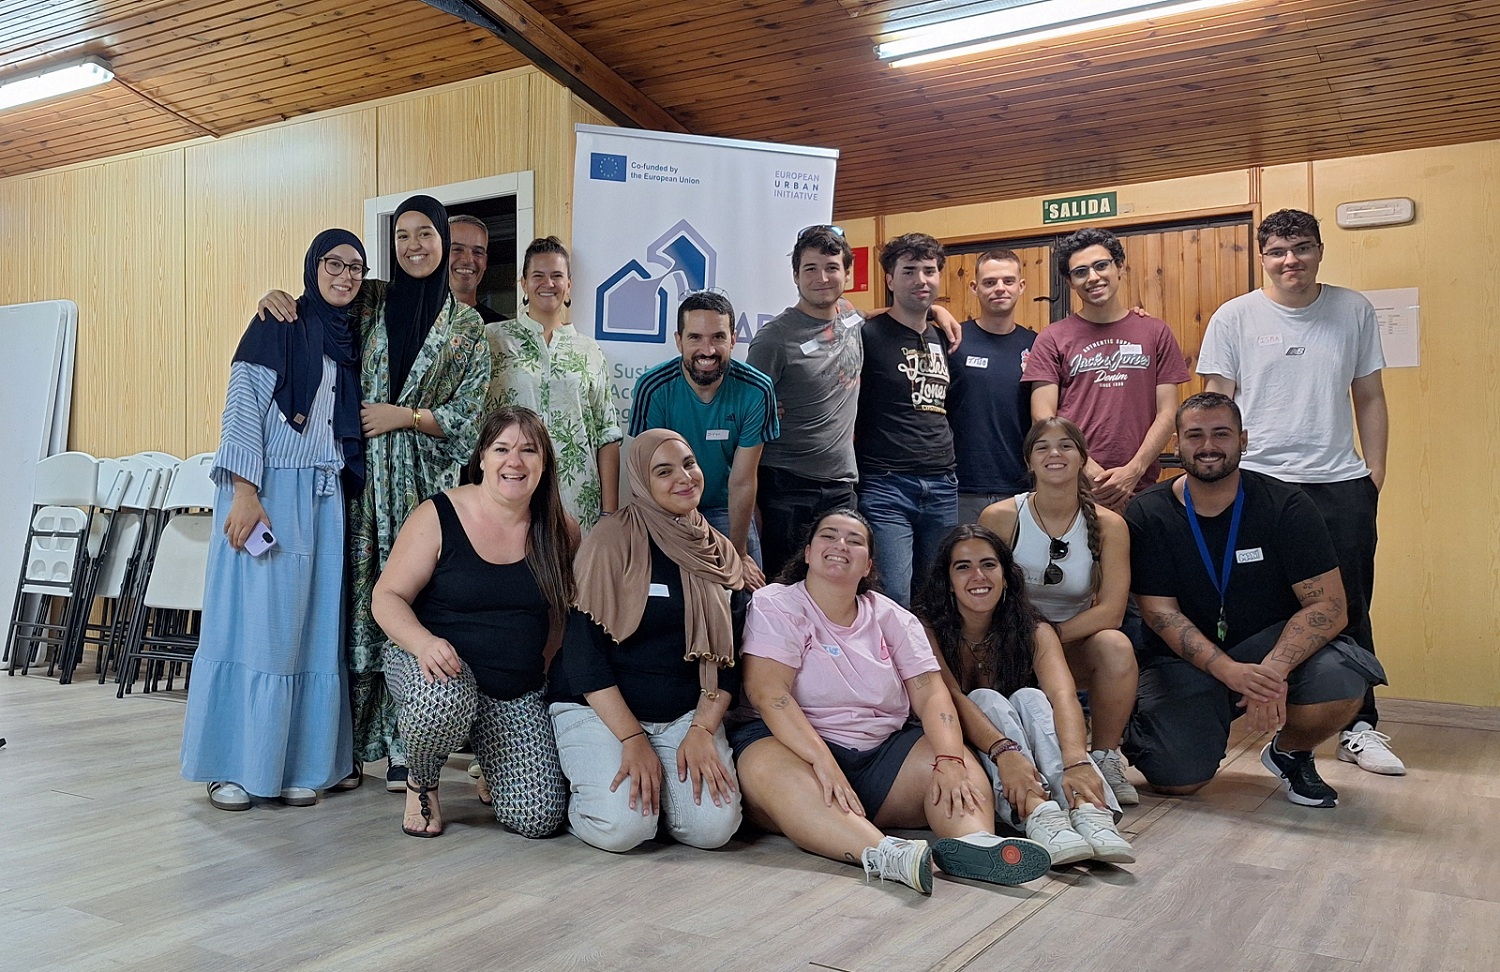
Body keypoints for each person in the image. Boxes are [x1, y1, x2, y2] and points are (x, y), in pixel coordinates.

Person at [257, 196, 493, 791]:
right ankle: (350, 747)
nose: (414, 246)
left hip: (425, 493)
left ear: (444, 241)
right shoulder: (372, 298)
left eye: (426, 235)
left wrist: (405, 416)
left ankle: (409, 748)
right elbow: (321, 304)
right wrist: (274, 298)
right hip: (360, 486)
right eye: (403, 235)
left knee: (421, 607)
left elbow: (467, 419)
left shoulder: (468, 325)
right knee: (360, 606)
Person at [733, 509, 1051, 896]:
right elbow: (769, 693)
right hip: (794, 749)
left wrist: (950, 760)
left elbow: (931, 693)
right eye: (828, 537)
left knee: (954, 761)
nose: (840, 546)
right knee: (771, 770)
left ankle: (975, 845)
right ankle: (886, 853)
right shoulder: (776, 603)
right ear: (808, 554)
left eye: (854, 541)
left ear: (868, 565)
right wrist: (822, 761)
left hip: (884, 756)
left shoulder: (892, 616)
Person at [1197, 208, 1401, 776]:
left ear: (1319, 251)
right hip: (1258, 482)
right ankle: (1259, 715)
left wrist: (1373, 475)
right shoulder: (1234, 316)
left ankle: (1360, 727)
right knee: (1260, 604)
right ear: (1263, 258)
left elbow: (1370, 396)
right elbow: (1217, 405)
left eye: (1302, 248)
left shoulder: (1352, 309)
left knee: (1351, 604)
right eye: (1279, 251)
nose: (1291, 261)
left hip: (1339, 482)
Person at [1123, 393, 1387, 807]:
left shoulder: (1288, 506)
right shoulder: (1147, 513)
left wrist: (1272, 673)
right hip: (1180, 661)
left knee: (1342, 675)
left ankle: (1291, 753)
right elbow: (1159, 613)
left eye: (1221, 434)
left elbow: (1330, 606)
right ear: (1177, 443)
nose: (1208, 446)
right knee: (1176, 779)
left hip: (1268, 646)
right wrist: (1228, 671)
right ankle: (1162, 727)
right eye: (1195, 435)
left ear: (1243, 440)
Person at [181, 229, 365, 811]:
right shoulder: (275, 323)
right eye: (333, 263)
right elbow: (242, 406)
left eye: (356, 267)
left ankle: (298, 762)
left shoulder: (351, 336)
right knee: (256, 627)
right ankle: (233, 765)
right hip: (266, 493)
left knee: (311, 634)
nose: (344, 275)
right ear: (313, 266)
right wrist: (244, 490)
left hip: (325, 496)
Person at [370, 407, 573, 837]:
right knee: (443, 700)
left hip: (513, 688)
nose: (514, 462)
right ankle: (421, 781)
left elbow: (561, 616)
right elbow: (385, 598)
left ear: (544, 463)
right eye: (502, 449)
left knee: (539, 817)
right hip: (435, 670)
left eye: (528, 451)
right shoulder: (437, 515)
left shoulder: (561, 531)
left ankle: (489, 765)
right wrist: (424, 643)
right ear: (482, 457)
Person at [547, 428, 747, 853]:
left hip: (682, 717)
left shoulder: (718, 551)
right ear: (640, 479)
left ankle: (654, 801)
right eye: (664, 470)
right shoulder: (610, 541)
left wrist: (701, 730)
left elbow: (728, 663)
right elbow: (583, 656)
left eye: (689, 464)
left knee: (713, 830)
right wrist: (632, 739)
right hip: (601, 713)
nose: (684, 477)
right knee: (624, 830)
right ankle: (591, 796)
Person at [747, 225, 964, 579]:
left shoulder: (849, 317)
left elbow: (882, 314)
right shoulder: (774, 338)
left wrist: (936, 311)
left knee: (844, 587)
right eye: (810, 269)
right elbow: (747, 417)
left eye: (832, 268)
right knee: (788, 590)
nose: (822, 278)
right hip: (786, 487)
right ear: (795, 276)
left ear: (847, 274)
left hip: (843, 486)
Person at [913, 524, 1134, 865]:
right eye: (963, 566)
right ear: (948, 581)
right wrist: (1006, 752)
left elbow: (1063, 697)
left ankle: (1087, 807)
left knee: (1031, 697)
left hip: (1025, 755)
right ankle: (1038, 812)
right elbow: (951, 697)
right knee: (985, 698)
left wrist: (1076, 759)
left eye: (988, 564)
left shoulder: (1034, 628)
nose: (978, 576)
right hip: (970, 752)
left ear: (1005, 574)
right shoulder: (925, 628)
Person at [979, 417, 1140, 807]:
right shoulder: (1000, 517)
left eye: (1066, 445)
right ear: (1029, 462)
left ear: (1083, 458)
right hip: (1007, 644)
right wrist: (1023, 639)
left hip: (1070, 644)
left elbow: (1113, 611)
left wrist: (1048, 639)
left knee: (1116, 646)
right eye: (1043, 447)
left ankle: (1104, 756)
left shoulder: (1111, 525)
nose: (1055, 453)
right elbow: (979, 594)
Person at [1021, 227, 1189, 512]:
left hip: (1140, 487)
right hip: (1074, 487)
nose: (1093, 277)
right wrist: (1088, 470)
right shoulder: (1052, 337)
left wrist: (1133, 470)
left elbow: (1168, 412)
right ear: (1070, 281)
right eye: (1081, 271)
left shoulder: (1155, 331)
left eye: (1101, 266)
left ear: (1119, 266)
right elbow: (1043, 416)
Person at [630, 290, 778, 588]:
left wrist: (737, 554)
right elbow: (647, 478)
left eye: (718, 337)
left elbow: (742, 481)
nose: (707, 350)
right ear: (679, 340)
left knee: (746, 597)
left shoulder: (757, 389)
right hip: (669, 509)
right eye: (696, 337)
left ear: (733, 339)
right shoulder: (652, 388)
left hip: (728, 509)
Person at [487, 235, 621, 532]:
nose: (548, 283)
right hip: (508, 490)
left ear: (569, 284)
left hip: (576, 498)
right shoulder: (493, 340)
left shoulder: (589, 351)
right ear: (523, 283)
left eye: (557, 276)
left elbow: (606, 434)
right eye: (538, 276)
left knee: (575, 577)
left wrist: (609, 514)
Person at [855, 233, 959, 606]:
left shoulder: (945, 337)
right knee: (894, 593)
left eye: (929, 271)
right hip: (886, 485)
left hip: (943, 485)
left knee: (939, 595)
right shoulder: (867, 334)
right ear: (889, 279)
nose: (921, 280)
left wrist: (937, 313)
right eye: (909, 271)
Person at [947, 249, 1038, 522]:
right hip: (958, 487)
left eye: (1008, 281)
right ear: (974, 288)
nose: (1000, 288)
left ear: (1021, 286)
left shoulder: (1037, 344)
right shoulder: (953, 339)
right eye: (989, 282)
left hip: (1019, 487)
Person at [448, 214, 504, 324]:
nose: (467, 260)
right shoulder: (417, 320)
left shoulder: (501, 330)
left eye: (477, 252)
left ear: (485, 262)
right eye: (457, 249)